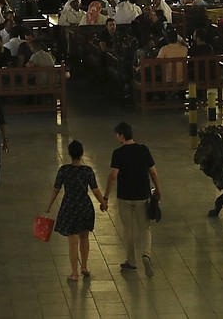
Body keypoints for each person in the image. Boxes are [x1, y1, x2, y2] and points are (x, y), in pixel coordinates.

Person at [103, 121, 162, 276]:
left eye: (117, 135)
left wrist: (106, 196)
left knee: (128, 230)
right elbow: (153, 172)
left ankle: (131, 261)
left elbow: (113, 175)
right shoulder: (143, 150)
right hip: (142, 195)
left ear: (122, 136)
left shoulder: (118, 153)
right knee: (145, 228)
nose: (116, 138)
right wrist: (158, 190)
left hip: (125, 197)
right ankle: (146, 255)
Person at [44, 140, 107, 283]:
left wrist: (48, 206)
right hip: (85, 207)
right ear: (82, 153)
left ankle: (74, 274)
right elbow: (95, 190)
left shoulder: (64, 170)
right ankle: (84, 267)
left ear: (70, 154)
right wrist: (103, 203)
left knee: (73, 242)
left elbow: (56, 189)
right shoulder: (87, 171)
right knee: (84, 237)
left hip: (70, 207)